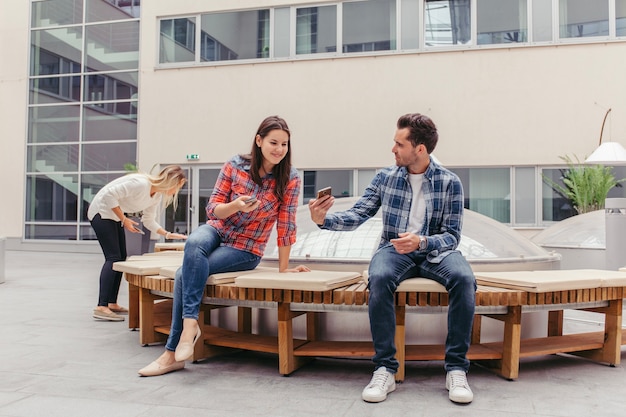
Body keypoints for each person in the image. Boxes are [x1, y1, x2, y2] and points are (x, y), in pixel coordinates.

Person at [308, 113, 476, 404]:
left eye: (399, 144)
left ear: (419, 149)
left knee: (464, 279)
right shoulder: (385, 177)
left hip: (437, 252)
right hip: (394, 250)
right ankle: (385, 367)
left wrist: (422, 241)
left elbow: (452, 236)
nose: (393, 149)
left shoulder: (450, 182)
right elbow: (359, 213)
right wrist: (324, 220)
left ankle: (456, 368)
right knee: (380, 276)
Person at [139, 115, 310, 377]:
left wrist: (284, 269)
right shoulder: (235, 165)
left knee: (185, 273)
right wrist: (236, 206)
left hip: (246, 248)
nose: (279, 149)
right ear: (259, 140)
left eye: (285, 144)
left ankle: (172, 353)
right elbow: (213, 210)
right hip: (219, 229)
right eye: (274, 142)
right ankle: (189, 326)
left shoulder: (290, 178)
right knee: (194, 243)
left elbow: (286, 224)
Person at [88, 165, 188, 322]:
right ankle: (101, 306)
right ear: (173, 182)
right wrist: (124, 219)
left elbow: (148, 220)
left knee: (120, 258)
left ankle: (112, 303)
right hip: (100, 212)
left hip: (114, 216)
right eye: (178, 187)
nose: (176, 192)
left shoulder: (156, 196)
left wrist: (168, 234)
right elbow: (108, 196)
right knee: (113, 257)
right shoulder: (141, 183)